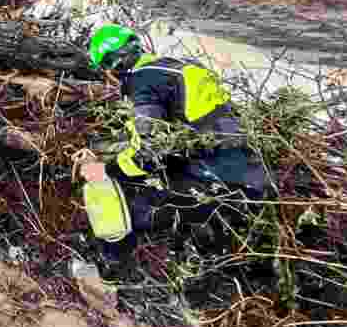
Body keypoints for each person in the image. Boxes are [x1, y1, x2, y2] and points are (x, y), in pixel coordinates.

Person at [79, 23, 270, 275]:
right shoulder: (173, 68)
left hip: (218, 184)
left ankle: (115, 273)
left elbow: (149, 154)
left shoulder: (142, 84)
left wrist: (105, 169)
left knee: (119, 198)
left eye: (106, 69)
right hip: (251, 175)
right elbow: (166, 134)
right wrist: (103, 150)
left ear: (114, 64)